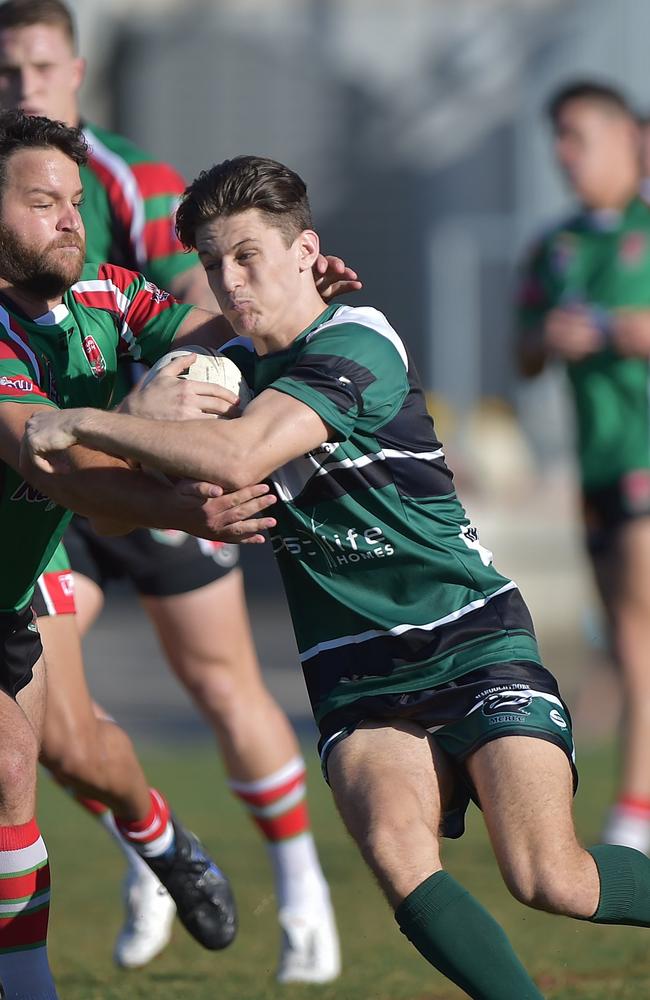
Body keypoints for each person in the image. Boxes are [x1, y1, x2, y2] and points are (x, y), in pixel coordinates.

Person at [28, 153, 650, 1000]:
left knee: (550, 878)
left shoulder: (357, 337)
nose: (230, 279)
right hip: (352, 668)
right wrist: (138, 424)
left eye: (248, 254)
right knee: (400, 856)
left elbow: (242, 451)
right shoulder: (231, 371)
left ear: (304, 250)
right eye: (213, 262)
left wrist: (82, 421)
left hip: (468, 637)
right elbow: (106, 518)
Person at [0, 0, 346, 979]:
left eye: (75, 201)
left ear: (74, 67)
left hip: (59, 539)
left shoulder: (109, 284)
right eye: (44, 204)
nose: (72, 217)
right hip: (105, 491)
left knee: (73, 745)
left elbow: (206, 327)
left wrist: (290, 313)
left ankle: (233, 868)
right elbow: (53, 459)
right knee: (31, 756)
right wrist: (187, 488)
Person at [517, 80, 650, 855]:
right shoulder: (554, 246)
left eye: (577, 135)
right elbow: (523, 353)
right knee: (622, 639)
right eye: (557, 138)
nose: (565, 153)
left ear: (624, 138)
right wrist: (551, 338)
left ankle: (633, 811)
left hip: (645, 455)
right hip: (594, 464)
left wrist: (613, 328)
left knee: (636, 638)